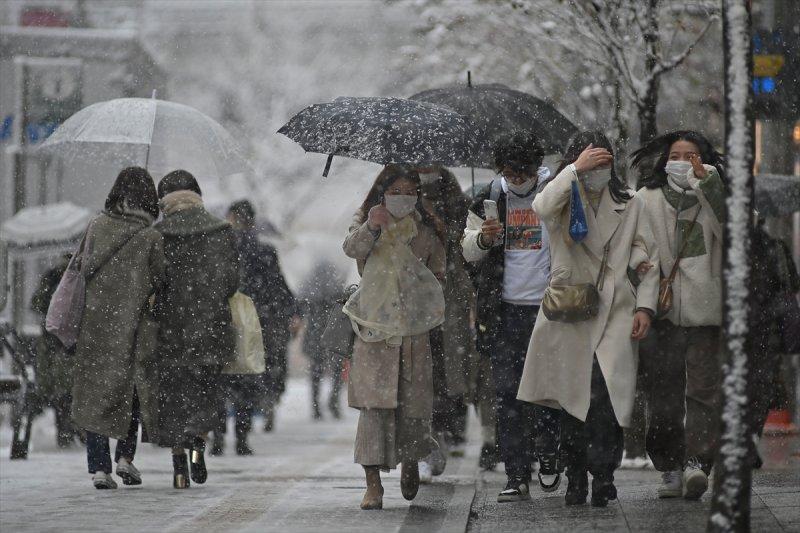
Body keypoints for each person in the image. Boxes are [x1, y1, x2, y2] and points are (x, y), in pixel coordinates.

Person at [517, 131, 659, 507]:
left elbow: (647, 254)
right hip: (571, 308)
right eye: (589, 159)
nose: (598, 167)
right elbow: (542, 207)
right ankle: (576, 473)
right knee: (572, 400)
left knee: (607, 399)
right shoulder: (564, 196)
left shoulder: (630, 203)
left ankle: (604, 475)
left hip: (615, 309)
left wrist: (645, 306)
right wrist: (574, 172)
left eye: (603, 160)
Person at [462, 131, 562, 502]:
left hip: (549, 309)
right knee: (507, 394)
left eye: (523, 174)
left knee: (549, 391)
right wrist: (485, 239)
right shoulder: (488, 198)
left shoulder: (554, 194)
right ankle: (516, 473)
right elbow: (467, 251)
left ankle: (549, 454)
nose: (517, 180)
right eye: (510, 173)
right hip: (503, 312)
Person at [343, 164, 446, 510]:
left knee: (414, 407)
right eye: (395, 191)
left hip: (414, 333)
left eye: (409, 192)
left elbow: (439, 276)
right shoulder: (366, 222)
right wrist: (373, 226)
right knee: (373, 410)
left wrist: (420, 291)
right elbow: (351, 250)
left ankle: (412, 461)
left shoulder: (427, 230)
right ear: (382, 192)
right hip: (374, 331)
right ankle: (372, 483)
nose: (402, 198)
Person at [631, 130, 726, 500]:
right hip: (661, 311)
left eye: (692, 156)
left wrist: (711, 186)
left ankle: (697, 464)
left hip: (707, 312)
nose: (684, 162)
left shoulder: (716, 195)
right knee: (664, 394)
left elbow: (736, 231)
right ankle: (668, 464)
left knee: (703, 392)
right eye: (677, 154)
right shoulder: (646, 199)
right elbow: (635, 245)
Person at [70, 166, 165, 489]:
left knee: (96, 396)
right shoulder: (151, 237)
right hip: (134, 327)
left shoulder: (96, 227)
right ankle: (125, 458)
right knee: (131, 395)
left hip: (95, 325)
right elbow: (160, 281)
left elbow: (81, 267)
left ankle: (99, 467)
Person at [154, 170, 239, 489]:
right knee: (205, 396)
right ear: (198, 194)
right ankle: (197, 448)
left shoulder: (158, 234)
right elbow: (232, 284)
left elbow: (153, 283)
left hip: (170, 331)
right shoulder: (221, 230)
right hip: (212, 330)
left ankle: (179, 467)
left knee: (173, 401)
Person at [210, 199, 296, 455]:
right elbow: (279, 288)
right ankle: (242, 438)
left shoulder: (217, 248)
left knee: (218, 381)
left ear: (232, 218)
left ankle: (217, 439)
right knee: (246, 380)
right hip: (253, 324)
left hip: (222, 321)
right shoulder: (264, 251)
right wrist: (291, 313)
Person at [415, 164, 485, 481]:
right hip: (414, 294)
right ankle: (423, 436)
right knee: (420, 369)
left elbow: (462, 244)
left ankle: (445, 429)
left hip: (449, 293)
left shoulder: (452, 194)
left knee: (449, 366)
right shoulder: (400, 186)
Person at [31, 254, 80, 448]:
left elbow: (36, 304)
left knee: (60, 392)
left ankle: (65, 432)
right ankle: (75, 430)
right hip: (73, 343)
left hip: (54, 342)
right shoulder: (80, 277)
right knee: (69, 391)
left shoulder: (52, 276)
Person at [299, 261, 345, 420]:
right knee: (337, 369)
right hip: (334, 331)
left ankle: (316, 405)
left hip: (316, 332)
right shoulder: (337, 282)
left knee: (316, 370)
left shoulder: (310, 285)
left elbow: (303, 304)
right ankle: (333, 400)